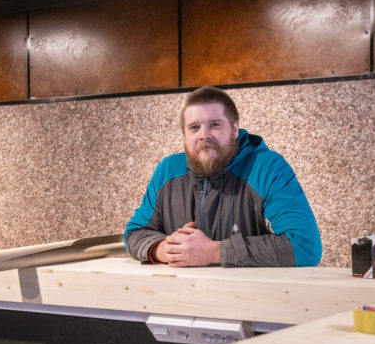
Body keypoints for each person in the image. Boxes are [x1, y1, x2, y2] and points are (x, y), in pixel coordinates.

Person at [124, 86, 322, 267]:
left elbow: (305, 247)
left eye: (215, 125)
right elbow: (134, 233)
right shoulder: (167, 170)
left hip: (251, 294)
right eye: (194, 127)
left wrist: (213, 252)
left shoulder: (268, 168)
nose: (204, 135)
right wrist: (166, 250)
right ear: (184, 135)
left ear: (235, 129)